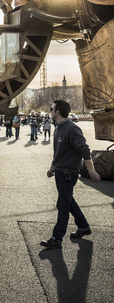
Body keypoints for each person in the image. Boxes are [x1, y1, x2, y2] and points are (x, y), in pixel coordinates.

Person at [40, 100, 101, 249]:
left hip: (68, 173)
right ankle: (83, 227)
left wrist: (91, 170)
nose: (50, 111)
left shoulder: (72, 129)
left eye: (52, 108)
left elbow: (85, 150)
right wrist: (52, 167)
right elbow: (58, 152)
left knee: (63, 204)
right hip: (60, 172)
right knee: (68, 201)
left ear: (58, 111)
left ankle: (56, 238)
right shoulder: (59, 127)